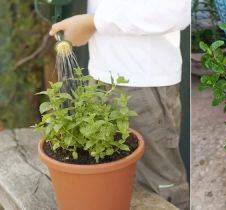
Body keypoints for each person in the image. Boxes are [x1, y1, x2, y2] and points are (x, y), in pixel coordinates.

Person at [49, 1, 190, 209]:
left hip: (142, 82)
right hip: (100, 75)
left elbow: (174, 10)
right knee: (110, 185)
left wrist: (94, 22)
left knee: (161, 187)